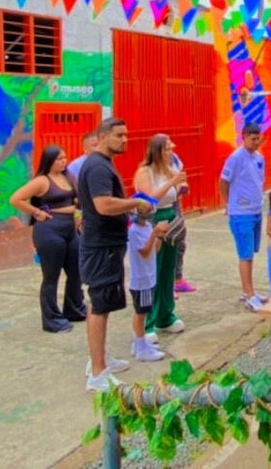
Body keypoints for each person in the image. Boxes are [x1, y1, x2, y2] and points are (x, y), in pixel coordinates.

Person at [77, 117, 154, 392]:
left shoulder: (101, 164)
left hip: (105, 245)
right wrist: (136, 202)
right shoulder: (97, 166)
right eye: (119, 135)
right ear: (102, 136)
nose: (125, 140)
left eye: (126, 135)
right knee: (99, 305)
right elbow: (103, 205)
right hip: (101, 247)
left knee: (102, 304)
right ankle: (98, 373)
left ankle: (99, 359)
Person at [8, 145, 86, 333]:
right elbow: (16, 199)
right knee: (51, 276)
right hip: (50, 230)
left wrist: (78, 215)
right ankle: (52, 319)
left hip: (70, 229)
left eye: (65, 158)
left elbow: (78, 200)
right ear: (49, 161)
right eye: (59, 159)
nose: (63, 161)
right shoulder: (42, 181)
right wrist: (36, 212)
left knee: (76, 271)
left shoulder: (69, 177)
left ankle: (74, 308)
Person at [133, 134, 188, 342]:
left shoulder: (169, 169)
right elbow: (149, 199)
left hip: (170, 219)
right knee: (151, 271)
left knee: (167, 269)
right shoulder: (144, 172)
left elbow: (176, 194)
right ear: (157, 151)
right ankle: (147, 321)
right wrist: (172, 182)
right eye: (167, 149)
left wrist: (180, 185)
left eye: (171, 149)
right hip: (153, 220)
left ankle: (165, 315)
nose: (171, 152)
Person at [219, 122, 268, 312]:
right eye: (253, 139)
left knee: (250, 253)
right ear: (244, 136)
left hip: (256, 210)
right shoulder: (236, 157)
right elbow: (223, 182)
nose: (256, 142)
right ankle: (249, 295)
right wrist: (229, 204)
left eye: (258, 138)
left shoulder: (259, 158)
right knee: (245, 255)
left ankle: (248, 289)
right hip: (241, 213)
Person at [128, 208, 169, 361]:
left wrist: (159, 235)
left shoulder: (148, 227)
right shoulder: (133, 231)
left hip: (150, 277)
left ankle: (139, 342)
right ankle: (140, 347)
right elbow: (144, 252)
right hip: (141, 279)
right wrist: (154, 233)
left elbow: (155, 250)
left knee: (141, 312)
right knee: (141, 313)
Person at [170, 151, 197, 294]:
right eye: (167, 148)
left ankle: (178, 279)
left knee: (180, 243)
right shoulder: (151, 169)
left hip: (175, 205)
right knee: (165, 246)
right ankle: (166, 284)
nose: (170, 150)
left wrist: (183, 185)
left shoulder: (174, 158)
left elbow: (181, 176)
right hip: (163, 208)